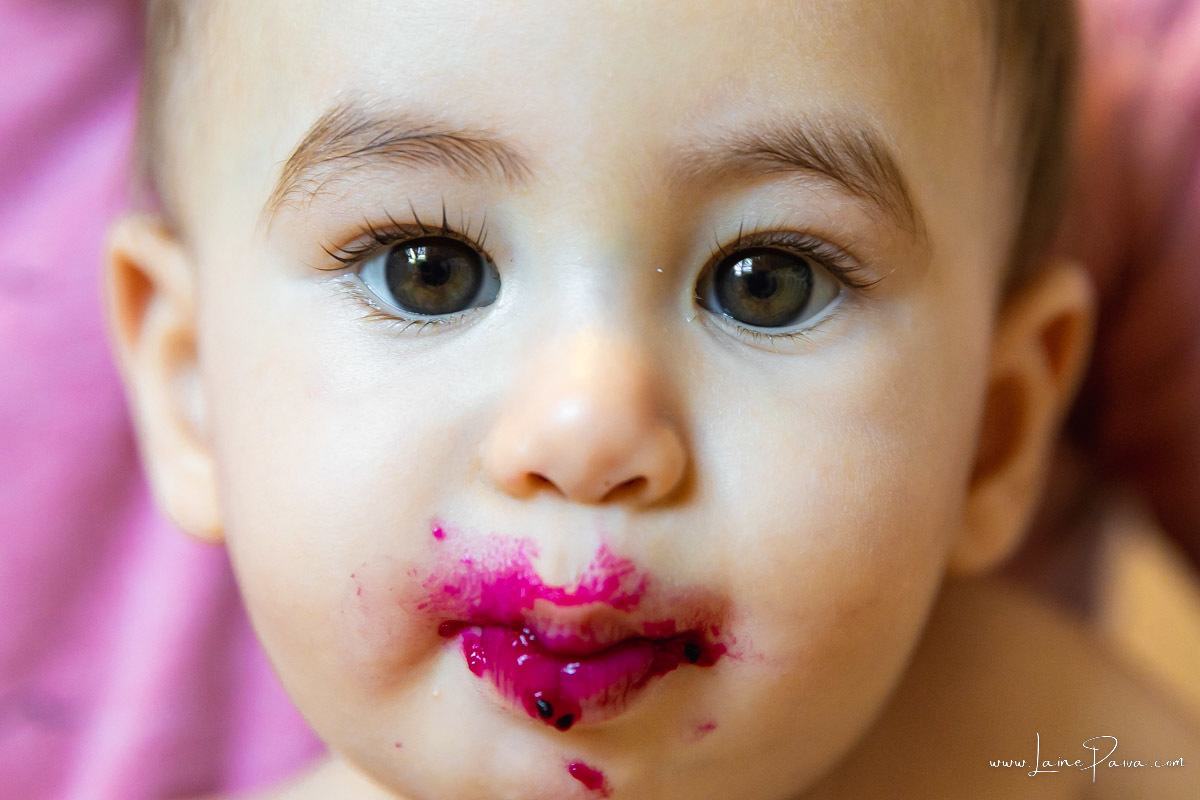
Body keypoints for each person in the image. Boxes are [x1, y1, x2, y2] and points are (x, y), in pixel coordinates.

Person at [102, 1, 1199, 798]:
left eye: (765, 282)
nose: (587, 430)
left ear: (992, 434)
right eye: (428, 267)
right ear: (192, 380)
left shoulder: (1053, 746)